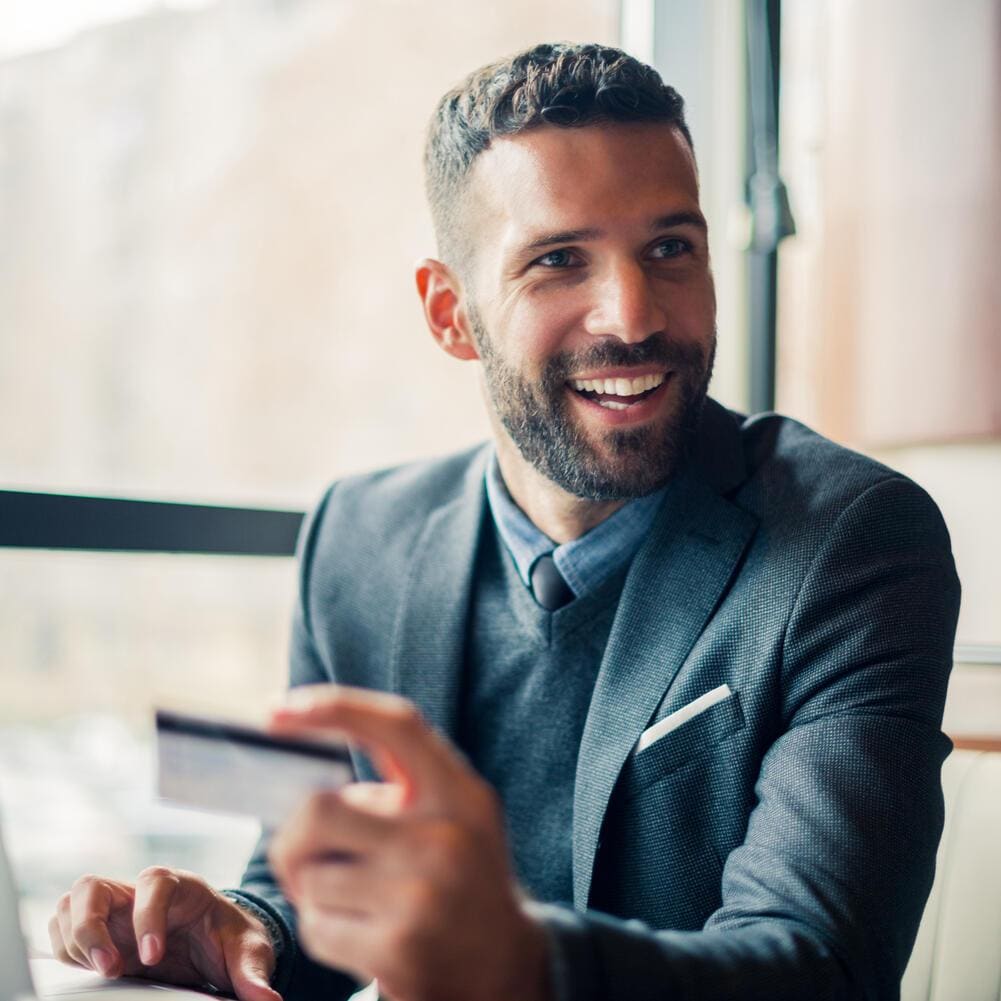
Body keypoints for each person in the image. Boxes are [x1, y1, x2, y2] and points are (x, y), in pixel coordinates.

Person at [49, 42, 960, 1001]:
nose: (631, 313)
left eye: (668, 248)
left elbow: (816, 967)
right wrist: (251, 929)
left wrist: (513, 964)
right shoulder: (353, 538)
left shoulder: (855, 540)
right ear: (451, 314)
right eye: (558, 260)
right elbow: (314, 874)